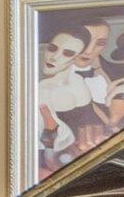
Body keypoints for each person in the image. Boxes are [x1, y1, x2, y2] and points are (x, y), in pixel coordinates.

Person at [33, 23, 111, 170]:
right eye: (52, 49)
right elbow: (47, 149)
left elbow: (95, 118)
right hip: (64, 163)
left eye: (67, 53)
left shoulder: (78, 81)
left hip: (96, 154)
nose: (54, 57)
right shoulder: (43, 90)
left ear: (78, 56)